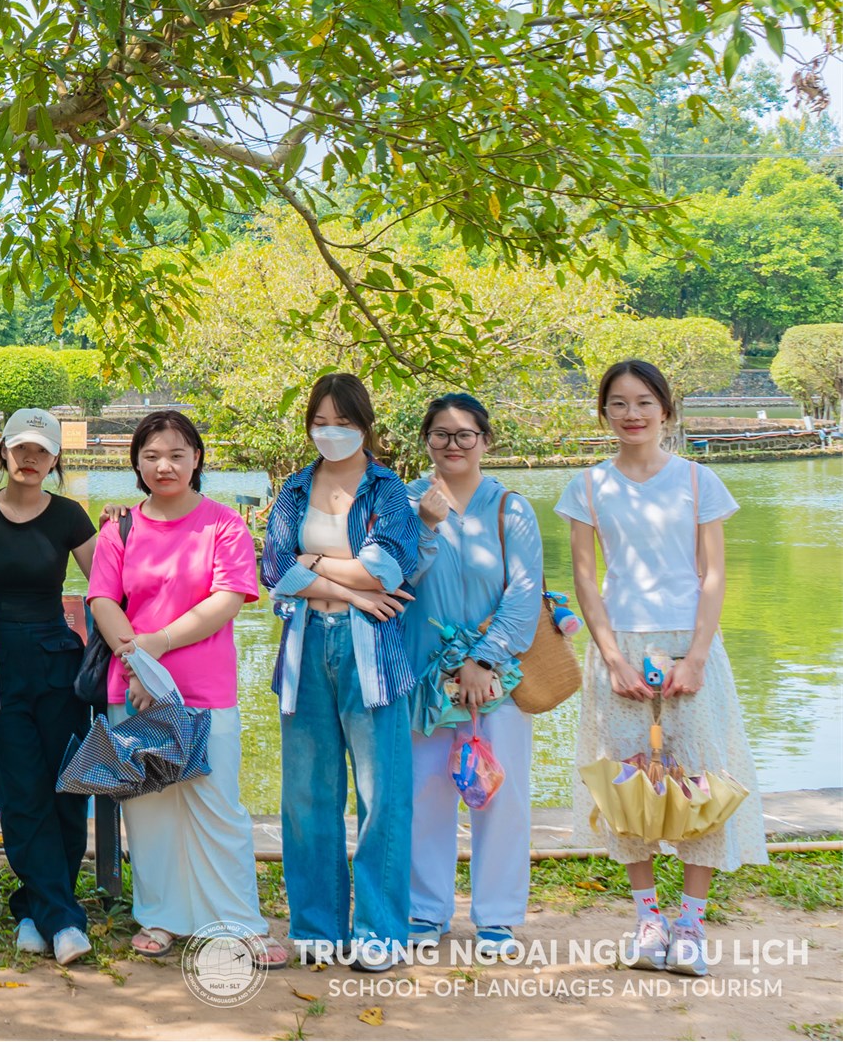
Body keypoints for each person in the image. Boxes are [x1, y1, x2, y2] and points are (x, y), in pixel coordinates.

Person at [556, 359, 765, 977]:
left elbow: (713, 574)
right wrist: (612, 657)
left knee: (703, 779)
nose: (632, 414)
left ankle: (691, 923)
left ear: (666, 410)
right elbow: (586, 580)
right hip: (618, 644)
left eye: (644, 402)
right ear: (604, 413)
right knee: (627, 784)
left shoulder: (699, 482)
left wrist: (696, 656)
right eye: (618, 403)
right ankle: (648, 918)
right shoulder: (588, 486)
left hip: (691, 642)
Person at [86, 410, 287, 968]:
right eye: (151, 455)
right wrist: (137, 663)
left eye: (176, 453)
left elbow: (228, 598)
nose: (164, 465)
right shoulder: (119, 529)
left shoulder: (224, 524)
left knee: (216, 807)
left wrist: (158, 645)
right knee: (149, 809)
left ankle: (240, 922)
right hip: (133, 687)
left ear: (197, 458)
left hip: (203, 689)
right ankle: (161, 916)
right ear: (136, 464)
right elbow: (102, 599)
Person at [260, 373, 422, 971]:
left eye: (343, 422)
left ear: (364, 425)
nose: (331, 432)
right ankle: (316, 926)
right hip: (306, 650)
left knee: (382, 795)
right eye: (321, 422)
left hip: (372, 656)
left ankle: (381, 931)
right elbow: (274, 570)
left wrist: (316, 563)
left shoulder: (389, 491)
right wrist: (348, 588)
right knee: (307, 793)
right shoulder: (294, 491)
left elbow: (388, 568)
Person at [0, 408, 100, 966]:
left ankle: (35, 909)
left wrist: (127, 533)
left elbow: (107, 585)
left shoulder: (69, 516)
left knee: (64, 791)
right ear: (3, 451)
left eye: (43, 450)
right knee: (22, 792)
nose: (30, 459)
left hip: (58, 666)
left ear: (57, 458)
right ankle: (64, 919)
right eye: (21, 448)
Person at [403, 394, 541, 957]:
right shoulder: (405, 502)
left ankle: (498, 918)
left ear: (485, 440)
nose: (453, 445)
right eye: (440, 434)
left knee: (500, 795)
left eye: (465, 434)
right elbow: (396, 580)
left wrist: (484, 661)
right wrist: (427, 527)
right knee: (424, 793)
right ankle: (423, 911)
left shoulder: (512, 508)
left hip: (494, 679)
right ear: (427, 442)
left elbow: (525, 593)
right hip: (424, 677)